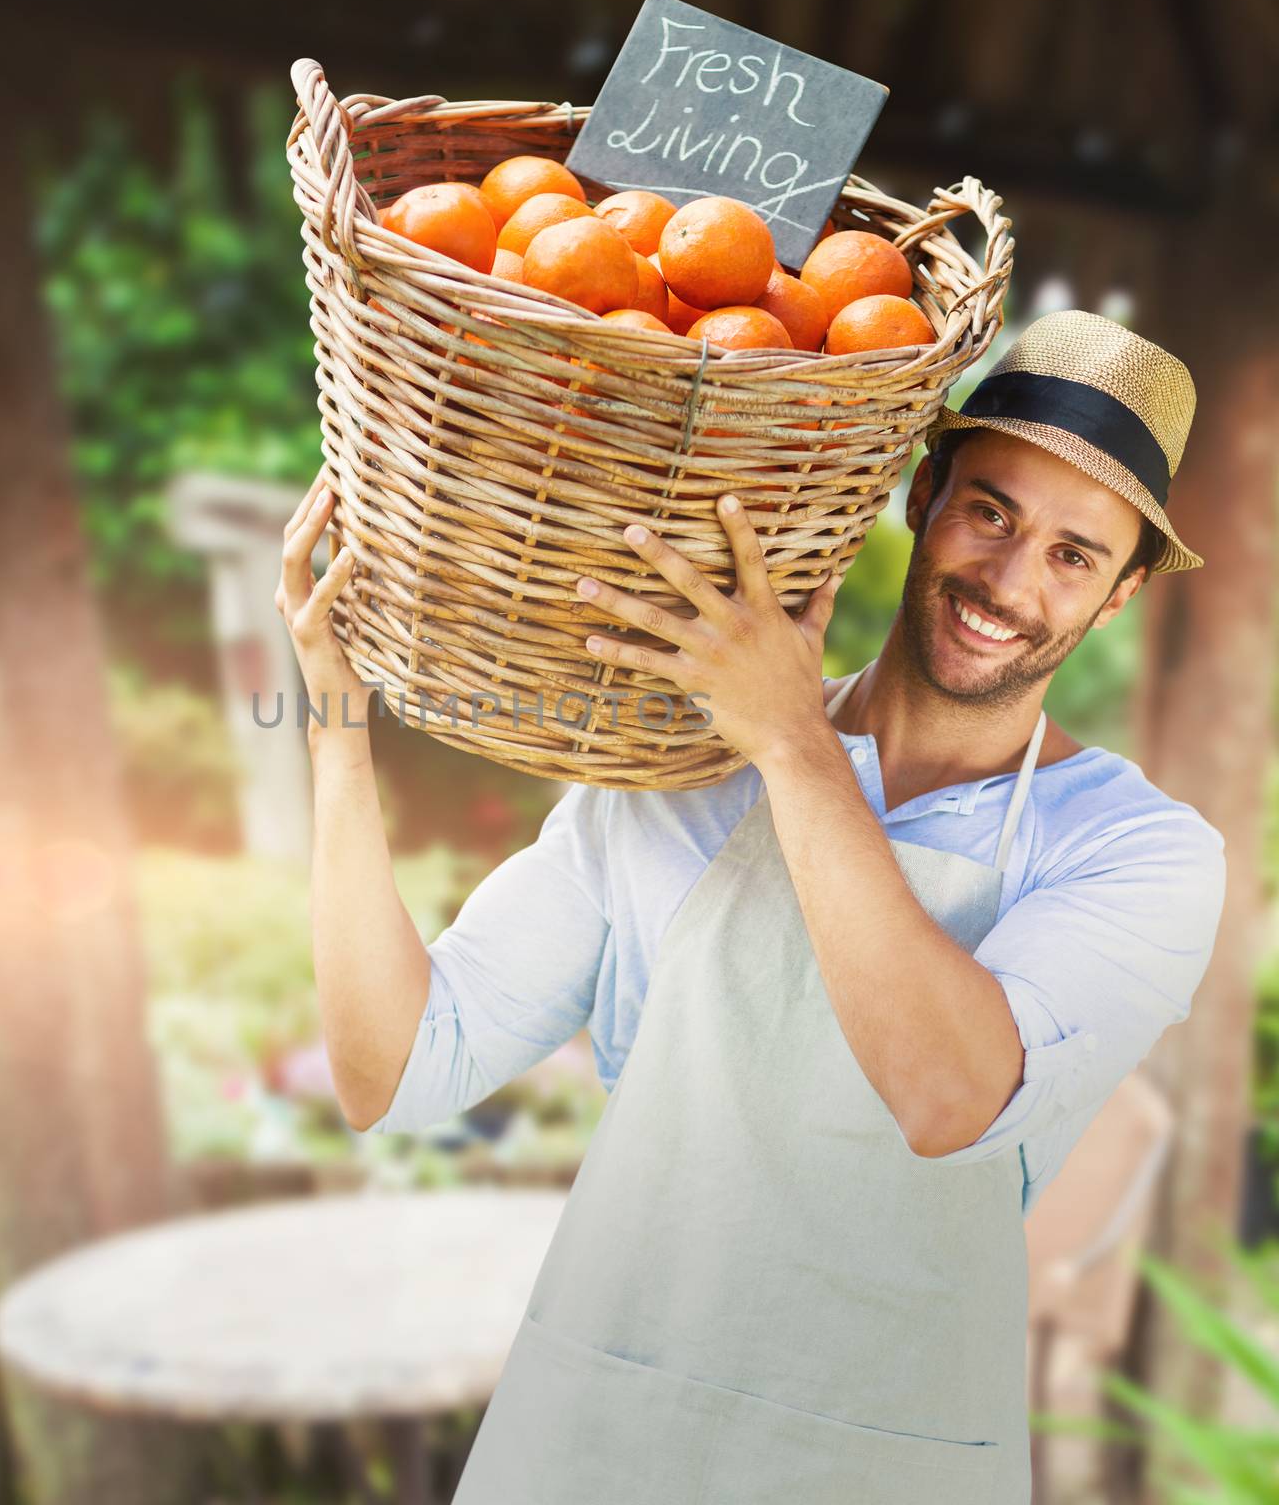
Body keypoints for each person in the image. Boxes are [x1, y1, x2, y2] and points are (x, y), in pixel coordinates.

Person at [277, 309, 1227, 1503]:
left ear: (1122, 592)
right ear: (922, 492)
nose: (1010, 579)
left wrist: (790, 738)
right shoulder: (678, 764)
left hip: (883, 1461)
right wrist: (334, 721)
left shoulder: (1136, 851)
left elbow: (949, 1094)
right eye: (990, 510)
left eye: (1073, 553)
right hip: (597, 1438)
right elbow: (397, 1067)